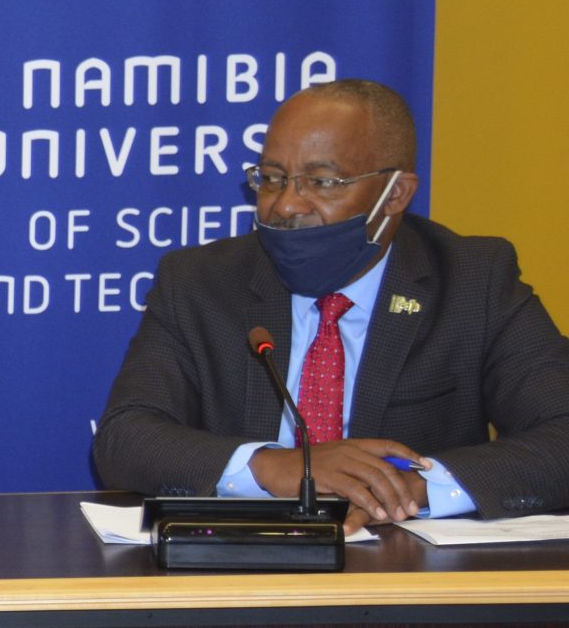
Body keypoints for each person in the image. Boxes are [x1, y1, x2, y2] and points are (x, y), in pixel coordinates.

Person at [93, 80, 569, 531]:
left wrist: (413, 487)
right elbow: (124, 438)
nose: (286, 206)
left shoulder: (472, 281)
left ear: (395, 193)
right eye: (273, 179)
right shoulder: (201, 283)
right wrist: (274, 467)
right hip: (242, 576)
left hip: (408, 580)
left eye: (322, 183)